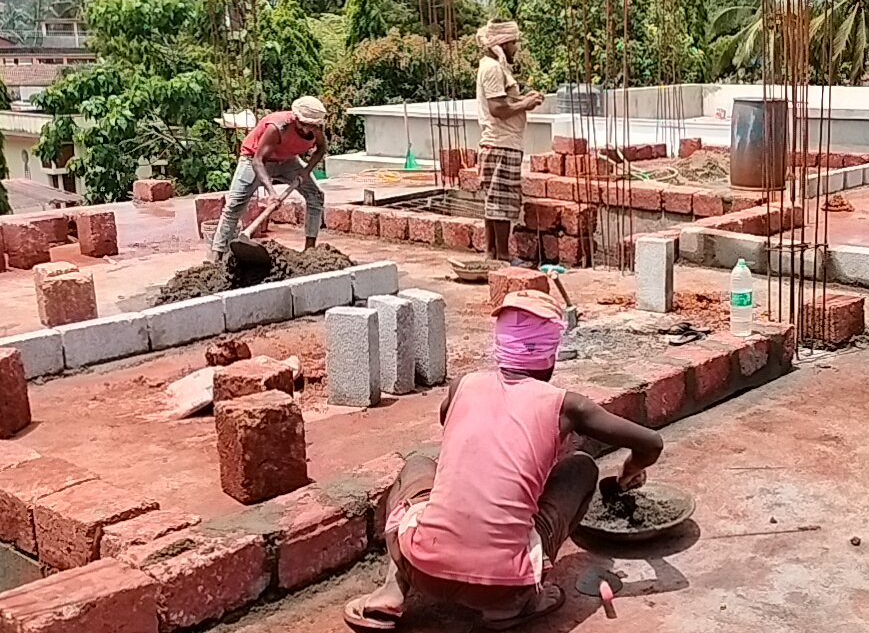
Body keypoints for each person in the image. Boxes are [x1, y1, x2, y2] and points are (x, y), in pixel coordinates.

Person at [343, 290, 664, 631]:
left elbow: (450, 425)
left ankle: (392, 591)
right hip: (504, 586)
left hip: (423, 570)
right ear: (551, 356)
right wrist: (629, 471)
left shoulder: (463, 385)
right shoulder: (568, 406)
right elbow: (652, 444)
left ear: (500, 347)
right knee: (581, 468)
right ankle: (517, 606)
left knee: (418, 466)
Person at [210, 96, 329, 257]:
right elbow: (258, 161)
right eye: (304, 124)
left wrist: (306, 170)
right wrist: (272, 193)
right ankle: (217, 254)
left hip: (287, 160)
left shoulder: (316, 130)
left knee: (316, 196)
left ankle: (309, 251)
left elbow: (321, 149)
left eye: (312, 125)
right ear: (296, 118)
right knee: (235, 205)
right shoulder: (277, 127)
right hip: (254, 159)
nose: (308, 129)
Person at [475, 20, 544, 263]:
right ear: (503, 43)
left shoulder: (495, 67)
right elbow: (498, 109)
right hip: (501, 144)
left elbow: (504, 102)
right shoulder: (493, 68)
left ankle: (493, 255)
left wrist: (523, 99)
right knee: (501, 204)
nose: (516, 48)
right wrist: (525, 104)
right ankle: (502, 256)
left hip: (500, 143)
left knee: (494, 202)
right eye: (513, 43)